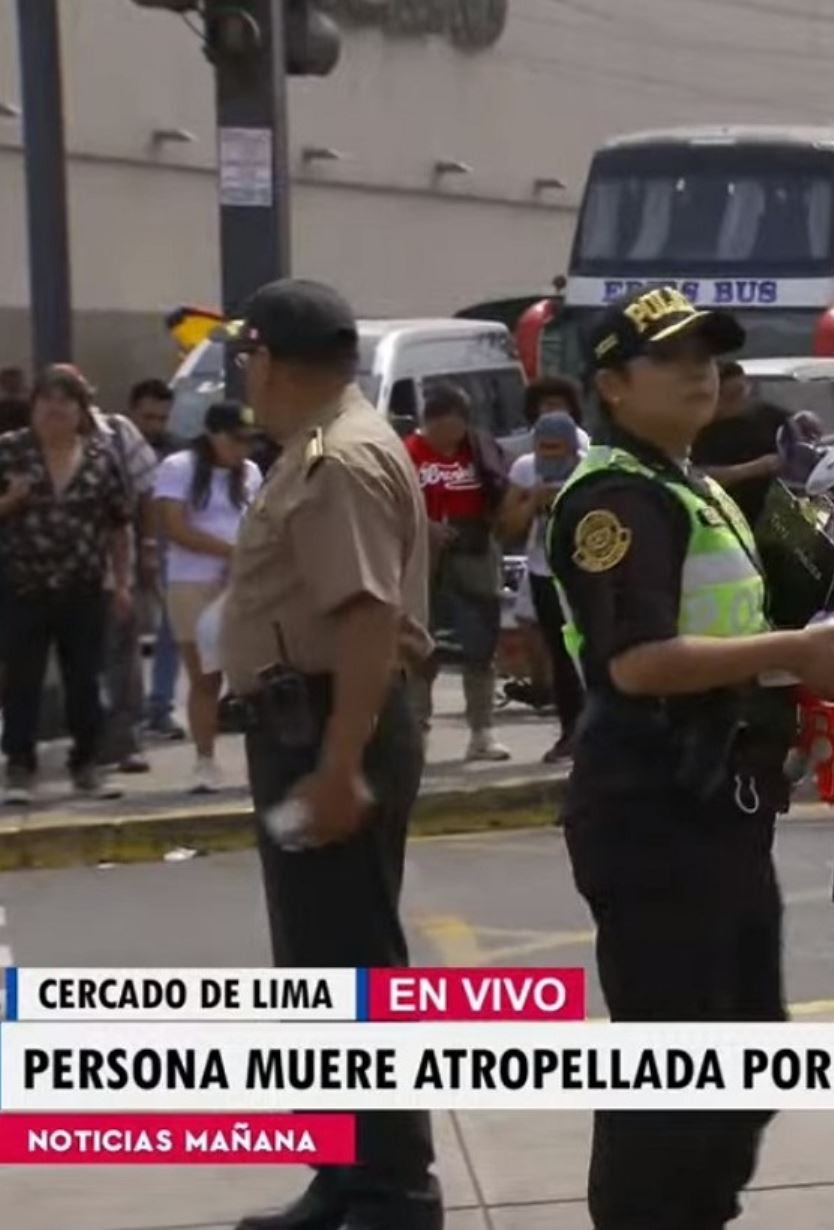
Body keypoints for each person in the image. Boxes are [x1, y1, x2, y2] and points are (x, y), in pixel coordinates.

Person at [547, 284, 834, 1230]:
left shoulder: (693, 484)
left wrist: (802, 678)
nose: (703, 372)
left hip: (719, 798)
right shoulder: (614, 500)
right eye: (674, 358)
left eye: (712, 356)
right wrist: (788, 655)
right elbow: (636, 662)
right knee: (671, 1066)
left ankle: (701, 1210)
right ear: (613, 383)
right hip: (652, 803)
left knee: (749, 1040)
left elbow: (726, 629)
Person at [219, 279, 441, 1230]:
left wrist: (341, 762)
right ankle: (345, 1175)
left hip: (328, 722)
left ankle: (394, 1187)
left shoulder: (337, 460)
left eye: (245, 356)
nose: (242, 374)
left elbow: (364, 617)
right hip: (308, 720)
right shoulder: (325, 445)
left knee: (352, 968)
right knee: (321, 968)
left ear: (269, 358)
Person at [0, 368, 134, 804]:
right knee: (22, 680)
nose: (54, 411)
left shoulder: (101, 457)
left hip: (84, 586)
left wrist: (122, 582)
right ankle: (19, 766)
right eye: (46, 402)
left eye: (65, 403)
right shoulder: (9, 451)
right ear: (33, 407)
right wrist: (10, 501)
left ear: (80, 412)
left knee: (84, 680)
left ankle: (87, 765)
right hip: (22, 584)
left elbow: (118, 524)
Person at [153, 401, 263, 793]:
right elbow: (176, 527)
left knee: (253, 674)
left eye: (248, 442)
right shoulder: (179, 468)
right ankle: (204, 760)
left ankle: (261, 761)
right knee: (204, 676)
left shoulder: (249, 473)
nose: (242, 450)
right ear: (214, 435)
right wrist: (227, 552)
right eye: (236, 440)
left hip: (241, 584)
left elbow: (256, 522)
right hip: (193, 582)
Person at [404, 382, 512, 762]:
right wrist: (424, 526)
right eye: (440, 425)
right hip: (423, 555)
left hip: (474, 552)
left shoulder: (479, 450)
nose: (447, 435)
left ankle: (482, 731)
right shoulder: (407, 453)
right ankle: (416, 731)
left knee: (480, 643)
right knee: (419, 646)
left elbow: (501, 491)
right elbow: (386, 505)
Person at [496, 409, 588, 762]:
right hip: (543, 571)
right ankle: (569, 732)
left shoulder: (587, 469)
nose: (550, 455)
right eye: (544, 448)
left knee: (590, 655)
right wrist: (532, 501)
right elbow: (506, 528)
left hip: (582, 572)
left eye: (557, 448)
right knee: (560, 656)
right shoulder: (524, 470)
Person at [87, 379, 162, 774]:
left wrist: (148, 548)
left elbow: (148, 490)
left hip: (116, 569)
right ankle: (88, 742)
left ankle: (125, 740)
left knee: (122, 659)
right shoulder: (32, 443)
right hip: (61, 572)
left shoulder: (117, 433)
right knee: (79, 661)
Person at [128, 377, 188, 742]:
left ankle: (159, 707)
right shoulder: (112, 445)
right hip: (118, 548)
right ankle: (125, 711)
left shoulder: (176, 453)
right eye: (148, 417)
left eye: (162, 418)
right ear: (132, 410)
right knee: (119, 635)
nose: (154, 426)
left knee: (172, 630)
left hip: (165, 550)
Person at [692, 359, 791, 526]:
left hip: (771, 517)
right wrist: (753, 469)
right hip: (724, 519)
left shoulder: (761, 413)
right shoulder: (697, 429)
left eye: (743, 390)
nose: (741, 399)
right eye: (732, 395)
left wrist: (804, 420)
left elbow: (792, 424)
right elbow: (697, 476)